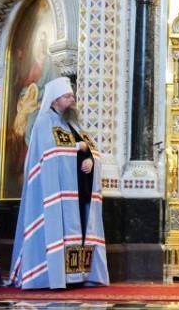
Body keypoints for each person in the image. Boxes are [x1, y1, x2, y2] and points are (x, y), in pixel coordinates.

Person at [10, 77, 108, 289]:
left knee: (81, 228)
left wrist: (90, 160)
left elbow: (92, 150)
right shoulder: (44, 122)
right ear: (55, 99)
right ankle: (56, 276)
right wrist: (78, 148)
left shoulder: (74, 123)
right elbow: (50, 154)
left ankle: (78, 275)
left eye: (72, 96)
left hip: (79, 188)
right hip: (56, 192)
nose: (72, 100)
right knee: (61, 228)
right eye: (67, 96)